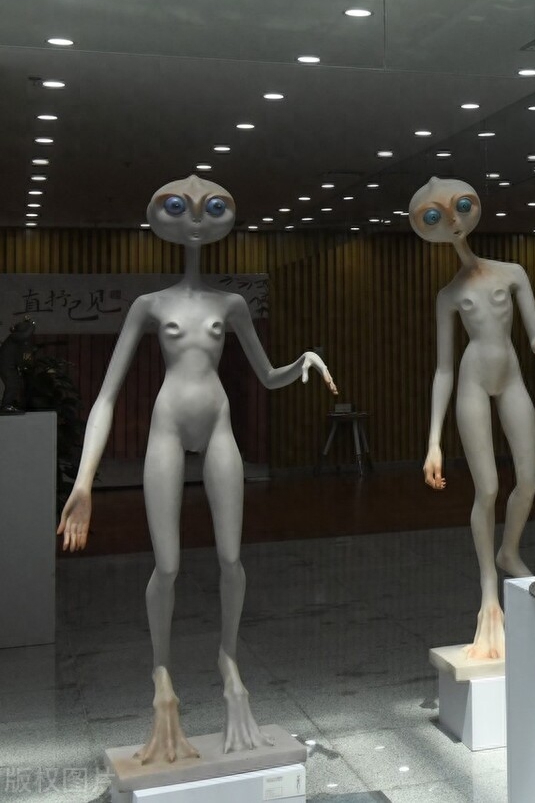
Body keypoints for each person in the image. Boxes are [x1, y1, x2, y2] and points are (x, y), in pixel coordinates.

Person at [56, 175, 337, 763]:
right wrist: (83, 482)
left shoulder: (230, 305)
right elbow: (106, 396)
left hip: (218, 427)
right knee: (167, 564)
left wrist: (301, 362)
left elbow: (267, 375)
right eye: (180, 208)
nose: (194, 221)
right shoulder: (149, 306)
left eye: (208, 209)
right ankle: (162, 680)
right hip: (166, 426)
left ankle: (229, 663)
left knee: (232, 557)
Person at [412, 176, 535, 660]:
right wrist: (433, 441)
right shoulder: (449, 295)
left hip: (511, 375)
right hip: (473, 379)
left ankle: (508, 550)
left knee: (529, 480)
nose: (453, 223)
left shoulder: (512, 273)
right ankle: (488, 590)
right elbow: (443, 369)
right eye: (437, 217)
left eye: (458, 209)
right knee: (488, 489)